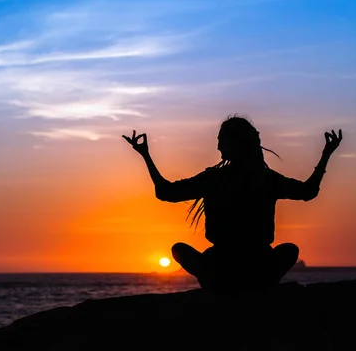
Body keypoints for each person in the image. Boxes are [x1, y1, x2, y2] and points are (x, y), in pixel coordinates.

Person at [122, 115, 343, 293]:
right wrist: (325, 156)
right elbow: (308, 191)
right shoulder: (267, 178)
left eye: (221, 141)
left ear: (235, 143)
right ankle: (258, 287)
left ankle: (226, 287)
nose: (218, 147)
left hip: (222, 267)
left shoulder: (217, 178)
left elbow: (165, 192)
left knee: (179, 250)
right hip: (258, 265)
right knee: (289, 250)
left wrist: (146, 156)